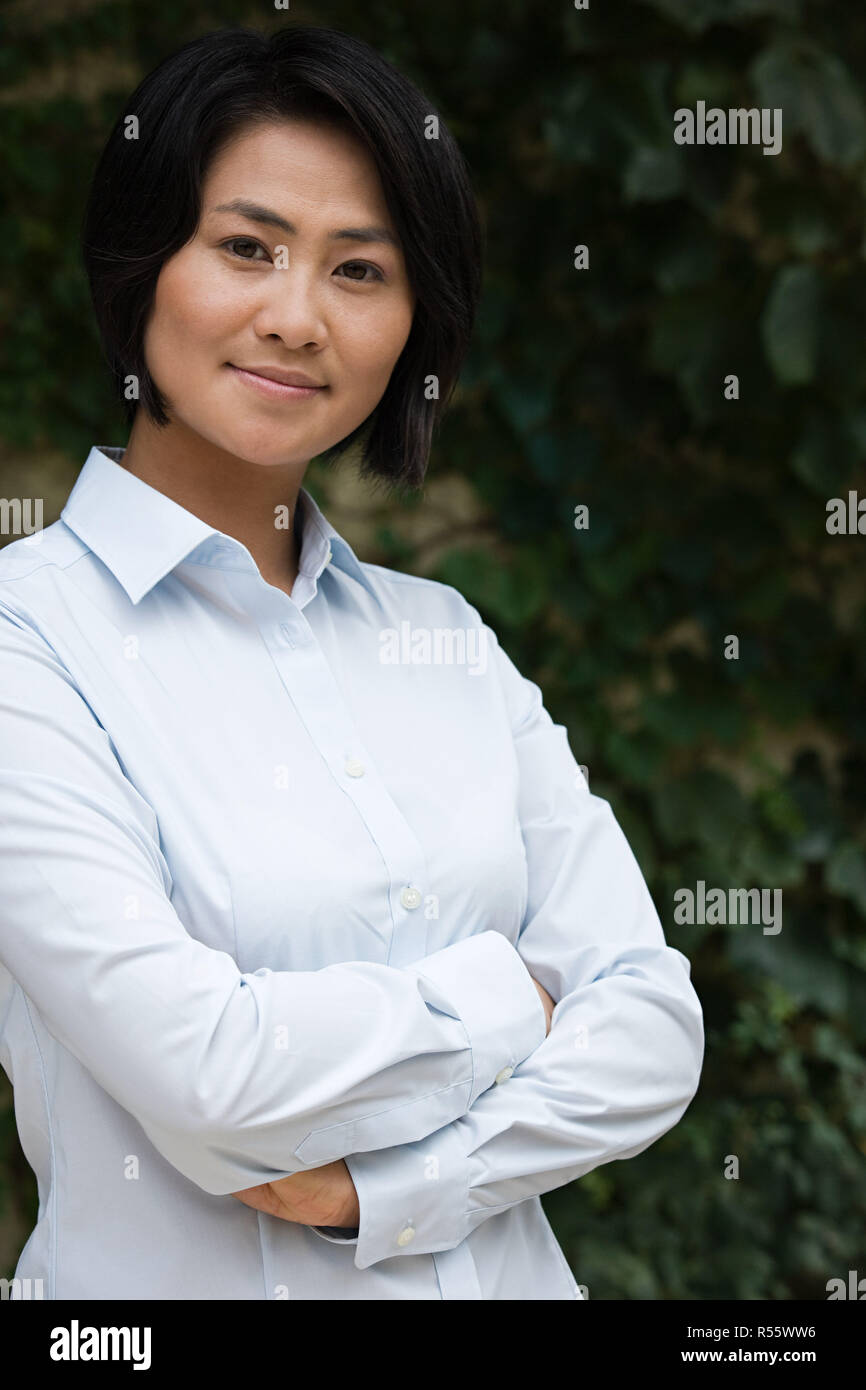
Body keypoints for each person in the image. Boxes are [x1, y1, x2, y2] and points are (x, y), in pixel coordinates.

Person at [0, 24, 704, 1300]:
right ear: (141, 262)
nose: (295, 317)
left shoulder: (446, 641)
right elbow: (213, 1084)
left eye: (359, 270)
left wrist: (385, 1191)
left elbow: (653, 1025)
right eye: (245, 247)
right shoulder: (26, 648)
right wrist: (517, 1002)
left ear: (411, 324)